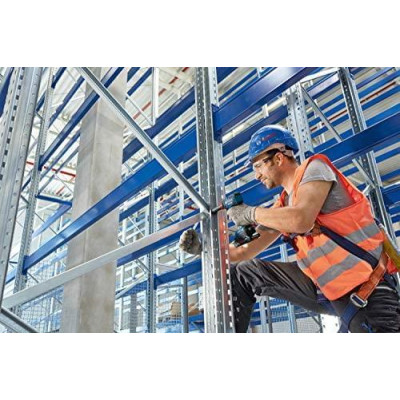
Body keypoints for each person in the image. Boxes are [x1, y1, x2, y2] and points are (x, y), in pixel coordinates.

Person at [180, 124, 400, 333]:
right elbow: (242, 252)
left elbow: (302, 219)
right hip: (327, 289)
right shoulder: (284, 205)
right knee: (243, 272)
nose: (256, 175)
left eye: (258, 166)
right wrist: (204, 249)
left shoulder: (315, 169)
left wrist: (250, 213)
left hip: (368, 289)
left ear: (278, 158)